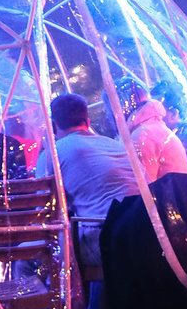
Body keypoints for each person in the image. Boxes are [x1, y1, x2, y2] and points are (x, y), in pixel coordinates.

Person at [38, 92, 139, 268]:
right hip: (143, 231)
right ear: (87, 120)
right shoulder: (115, 144)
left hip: (103, 236)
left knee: (30, 260)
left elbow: (43, 209)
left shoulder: (53, 154)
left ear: (53, 126)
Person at [127, 86, 187, 182]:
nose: (155, 112)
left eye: (159, 108)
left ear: (174, 114)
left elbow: (144, 188)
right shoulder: (164, 133)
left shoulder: (147, 134)